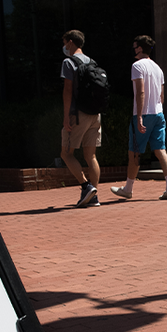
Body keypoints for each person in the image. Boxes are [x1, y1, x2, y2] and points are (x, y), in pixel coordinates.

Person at [110, 35, 167, 201]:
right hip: (158, 113)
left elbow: (140, 92)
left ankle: (128, 189)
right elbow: (161, 95)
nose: (134, 50)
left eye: (135, 47)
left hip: (144, 113)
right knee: (161, 150)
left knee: (134, 152)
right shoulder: (158, 68)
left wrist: (139, 117)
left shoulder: (137, 66)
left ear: (140, 48)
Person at [60, 30, 102, 208]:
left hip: (78, 113)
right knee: (90, 155)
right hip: (96, 114)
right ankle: (94, 197)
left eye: (64, 43)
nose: (64, 47)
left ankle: (86, 187)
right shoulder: (92, 62)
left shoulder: (68, 62)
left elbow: (68, 90)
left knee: (66, 153)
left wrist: (66, 115)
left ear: (70, 42)